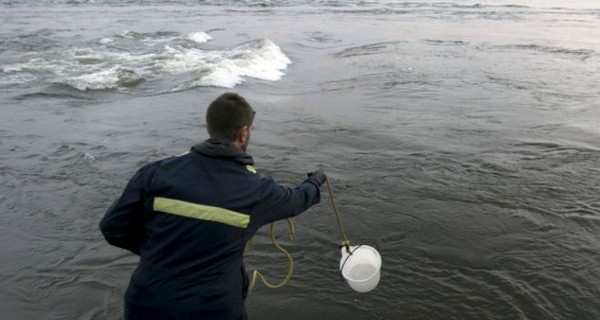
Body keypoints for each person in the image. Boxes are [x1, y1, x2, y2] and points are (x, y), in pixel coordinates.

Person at [99, 92, 326, 320]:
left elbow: (112, 227)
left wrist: (156, 251)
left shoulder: (157, 171)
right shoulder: (256, 189)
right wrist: (315, 182)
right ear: (244, 132)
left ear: (209, 127)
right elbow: (297, 200)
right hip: (213, 310)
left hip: (146, 303)